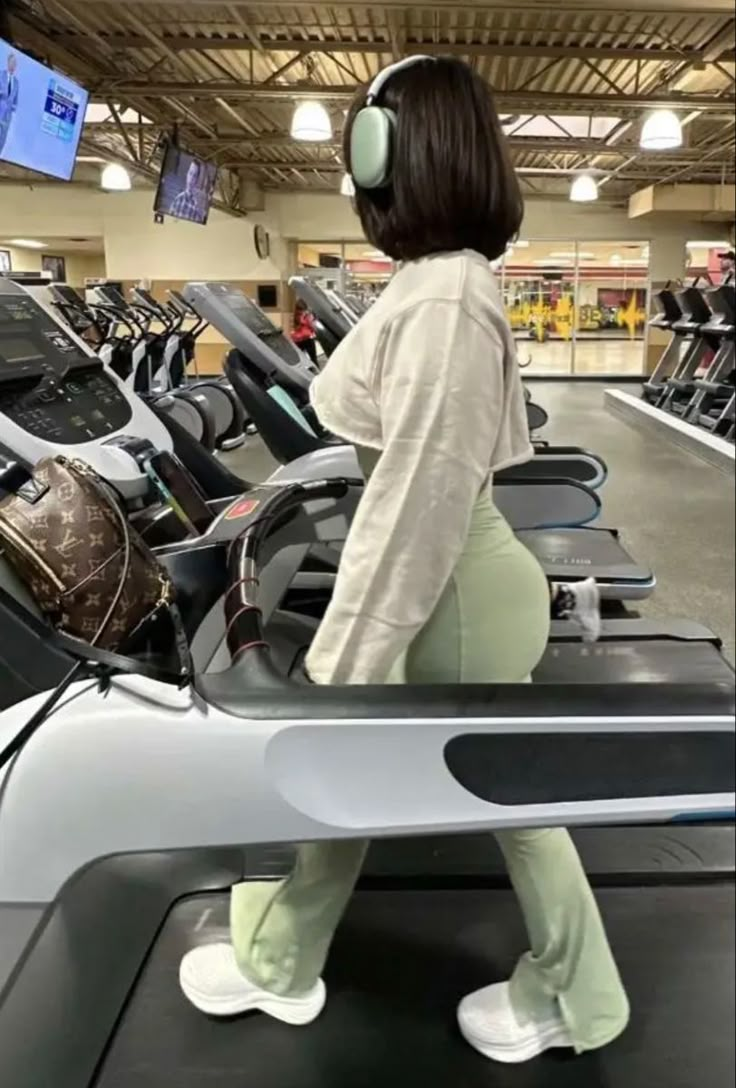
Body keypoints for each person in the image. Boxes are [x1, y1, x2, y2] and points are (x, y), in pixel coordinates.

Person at [179, 56, 627, 1064]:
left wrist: (344, 655)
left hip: (452, 590)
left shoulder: (440, 300)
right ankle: (284, 960)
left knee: (504, 802)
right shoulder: (439, 285)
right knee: (381, 778)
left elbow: (420, 498)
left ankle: (581, 996)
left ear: (390, 151)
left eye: (360, 144)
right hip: (456, 581)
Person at [0, 53, 19, 158]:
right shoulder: (0, 75)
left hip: (7, 116)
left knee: (2, 138)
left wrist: (13, 109)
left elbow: (16, 99)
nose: (13, 66)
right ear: (8, 63)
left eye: (15, 64)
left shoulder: (16, 82)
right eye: (12, 63)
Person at [291, 297, 319, 364]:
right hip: (297, 342)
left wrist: (309, 321)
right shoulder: (291, 317)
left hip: (308, 340)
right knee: (301, 362)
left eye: (303, 311)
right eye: (300, 312)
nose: (302, 313)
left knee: (314, 360)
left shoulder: (307, 315)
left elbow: (313, 328)